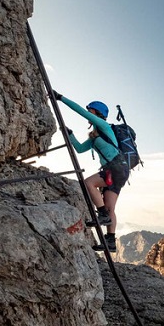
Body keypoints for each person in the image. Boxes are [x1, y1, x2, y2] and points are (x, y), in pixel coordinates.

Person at [52, 90, 129, 252]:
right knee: (110, 208)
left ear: (97, 113)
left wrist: (60, 98)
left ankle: (102, 214)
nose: (88, 113)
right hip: (119, 170)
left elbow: (78, 111)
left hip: (115, 167)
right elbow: (79, 149)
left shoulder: (103, 126)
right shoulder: (95, 136)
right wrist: (70, 134)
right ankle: (110, 241)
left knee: (89, 183)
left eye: (90, 111)